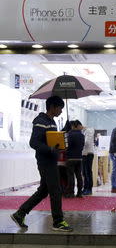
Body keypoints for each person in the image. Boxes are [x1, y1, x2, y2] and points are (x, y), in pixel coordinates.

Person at [10, 96, 73, 232]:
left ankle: (20, 214)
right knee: (55, 190)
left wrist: (64, 131)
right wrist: (50, 149)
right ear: (52, 107)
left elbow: (52, 140)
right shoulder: (40, 121)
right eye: (60, 108)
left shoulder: (51, 122)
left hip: (51, 160)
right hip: (46, 162)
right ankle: (58, 221)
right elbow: (34, 142)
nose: (61, 111)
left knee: (43, 191)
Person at [65, 120, 85, 198]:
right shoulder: (82, 135)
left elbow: (67, 146)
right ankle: (80, 192)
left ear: (73, 126)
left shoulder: (69, 134)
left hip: (70, 158)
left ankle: (71, 193)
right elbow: (82, 146)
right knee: (79, 176)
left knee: (71, 176)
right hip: (79, 158)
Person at [81, 125, 95, 195]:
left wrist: (80, 145)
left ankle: (89, 189)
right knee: (84, 172)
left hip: (88, 154)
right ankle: (85, 188)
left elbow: (87, 142)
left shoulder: (88, 131)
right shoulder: (84, 132)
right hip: (85, 154)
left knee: (88, 172)